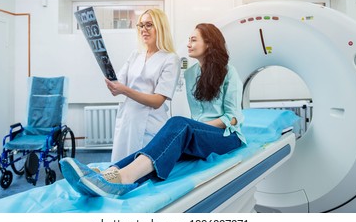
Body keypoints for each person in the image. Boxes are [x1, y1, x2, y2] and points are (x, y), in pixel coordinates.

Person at [60, 23, 246, 197]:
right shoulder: (191, 74)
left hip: (226, 136)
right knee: (156, 149)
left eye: (193, 40)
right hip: (201, 133)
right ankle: (104, 175)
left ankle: (124, 179)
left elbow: (233, 117)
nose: (188, 44)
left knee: (179, 123)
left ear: (209, 44)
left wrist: (197, 128)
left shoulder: (229, 72)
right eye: (189, 40)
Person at [107, 8, 180, 161]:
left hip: (150, 123)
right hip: (128, 119)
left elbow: (157, 101)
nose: (143, 30)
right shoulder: (136, 55)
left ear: (160, 28)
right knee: (120, 164)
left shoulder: (170, 59)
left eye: (148, 25)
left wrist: (124, 90)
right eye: (141, 26)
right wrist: (108, 74)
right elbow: (117, 85)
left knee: (141, 169)